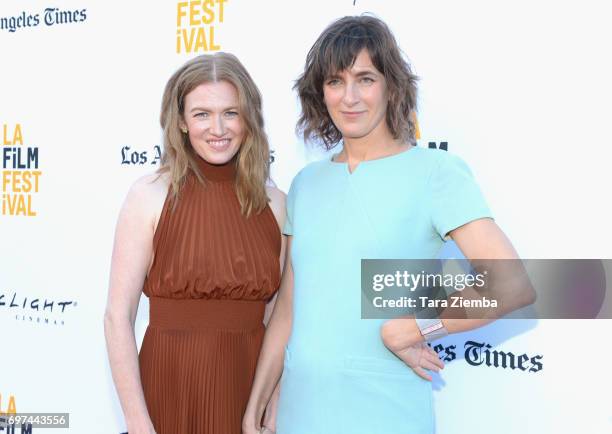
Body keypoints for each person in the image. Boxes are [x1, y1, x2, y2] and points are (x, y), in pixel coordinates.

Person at [243, 15, 534, 434]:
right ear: (319, 93)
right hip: (300, 412)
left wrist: (410, 329)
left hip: (386, 411)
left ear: (391, 85)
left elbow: (511, 284)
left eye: (365, 78)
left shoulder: (435, 172)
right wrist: (259, 401)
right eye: (335, 82)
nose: (349, 97)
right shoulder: (306, 184)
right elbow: (288, 309)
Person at [104, 52, 286, 434]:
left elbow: (277, 320)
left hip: (245, 392)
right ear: (182, 122)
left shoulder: (275, 203)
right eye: (202, 114)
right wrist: (137, 422)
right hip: (167, 386)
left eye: (231, 113)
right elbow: (117, 317)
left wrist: (273, 403)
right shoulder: (149, 195)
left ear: (248, 118)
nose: (217, 128)